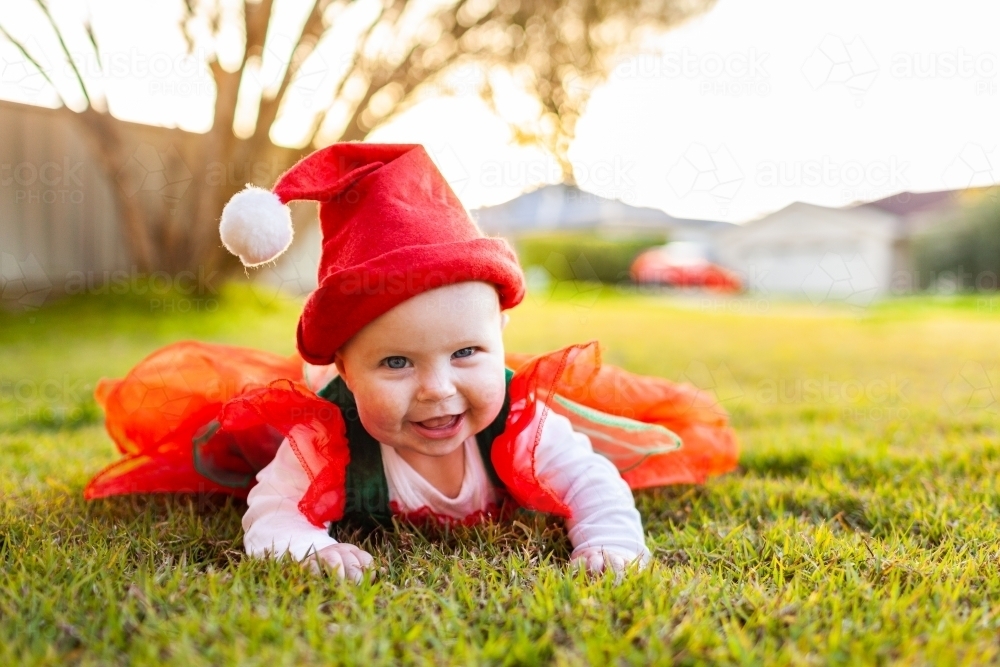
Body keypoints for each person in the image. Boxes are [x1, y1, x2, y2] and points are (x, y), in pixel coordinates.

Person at [85, 143, 739, 582]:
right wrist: (310, 547)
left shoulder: (519, 418)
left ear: (500, 336)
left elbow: (592, 481)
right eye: (396, 361)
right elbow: (272, 509)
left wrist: (609, 541)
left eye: (466, 353)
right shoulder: (328, 438)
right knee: (251, 442)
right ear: (345, 366)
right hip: (323, 410)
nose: (437, 389)